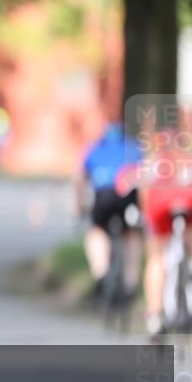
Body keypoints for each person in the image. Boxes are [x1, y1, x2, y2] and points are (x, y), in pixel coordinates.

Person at [74, 122, 144, 305]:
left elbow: (80, 179)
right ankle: (131, 282)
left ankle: (101, 272)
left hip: (103, 197)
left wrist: (80, 206)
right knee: (131, 234)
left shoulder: (93, 148)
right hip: (128, 196)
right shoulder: (134, 147)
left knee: (97, 230)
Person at [137, 127, 192, 335]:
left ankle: (154, 316)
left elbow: (144, 190)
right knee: (191, 242)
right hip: (189, 200)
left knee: (156, 257)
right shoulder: (188, 158)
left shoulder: (154, 160)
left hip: (160, 202)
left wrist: (145, 217)